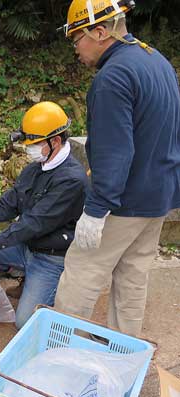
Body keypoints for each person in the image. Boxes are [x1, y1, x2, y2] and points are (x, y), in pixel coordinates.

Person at [54, 0, 180, 336]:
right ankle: (122, 356)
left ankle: (59, 355)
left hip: (122, 201)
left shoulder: (113, 77)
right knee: (132, 277)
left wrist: (96, 211)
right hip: (158, 198)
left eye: (77, 38)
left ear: (100, 31)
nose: (76, 48)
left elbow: (115, 152)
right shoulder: (156, 61)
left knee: (82, 271)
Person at [0, 102, 88, 329]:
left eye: (34, 144)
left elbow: (35, 222)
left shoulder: (71, 180)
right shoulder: (36, 168)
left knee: (24, 322)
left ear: (55, 141)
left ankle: (52, 289)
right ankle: (25, 275)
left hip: (51, 257)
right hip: (26, 246)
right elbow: (8, 205)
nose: (29, 149)